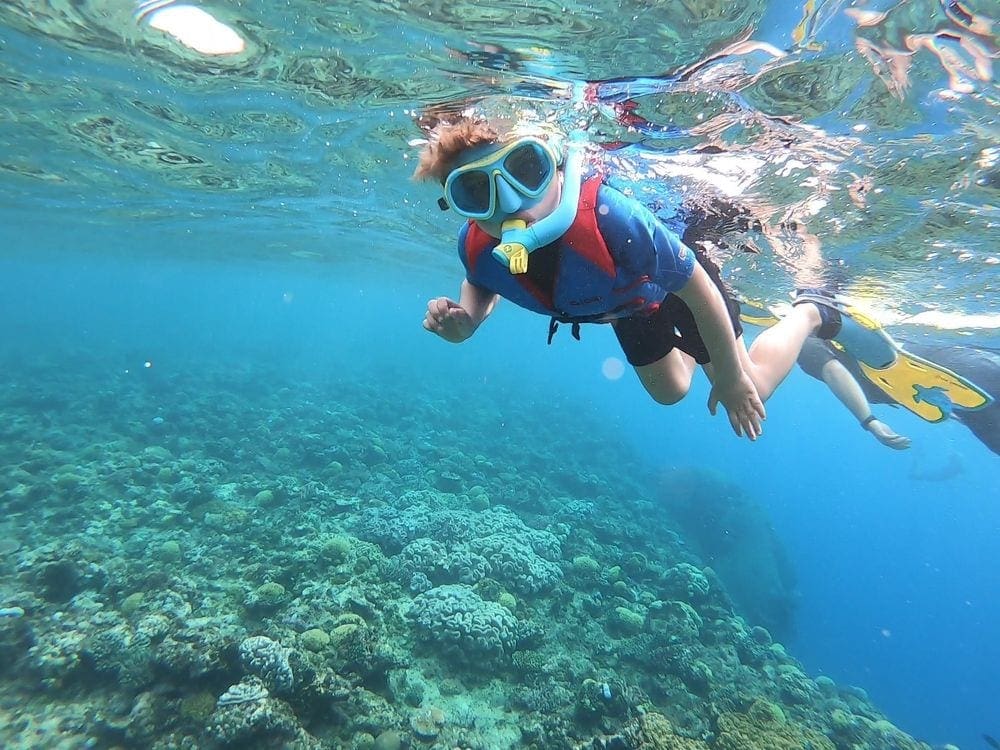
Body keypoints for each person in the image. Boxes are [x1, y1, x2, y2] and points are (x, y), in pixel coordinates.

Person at [412, 110, 847, 441]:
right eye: (474, 191)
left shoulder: (610, 218)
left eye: (527, 170)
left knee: (752, 386)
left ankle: (809, 310)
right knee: (671, 391)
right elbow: (482, 282)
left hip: (673, 286)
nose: (509, 201)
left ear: (559, 164)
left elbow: (699, 294)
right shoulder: (476, 246)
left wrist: (730, 379)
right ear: (457, 206)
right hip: (628, 308)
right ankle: (706, 347)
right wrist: (467, 321)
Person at [800, 336, 1000, 456]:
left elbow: (833, 370)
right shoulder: (823, 329)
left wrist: (869, 421)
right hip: (956, 379)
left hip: (957, 375)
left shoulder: (798, 336)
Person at [797, 336, 912, 450]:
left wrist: (869, 421)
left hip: (886, 382)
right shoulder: (799, 337)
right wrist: (869, 421)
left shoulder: (795, 335)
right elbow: (832, 370)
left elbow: (833, 370)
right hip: (888, 379)